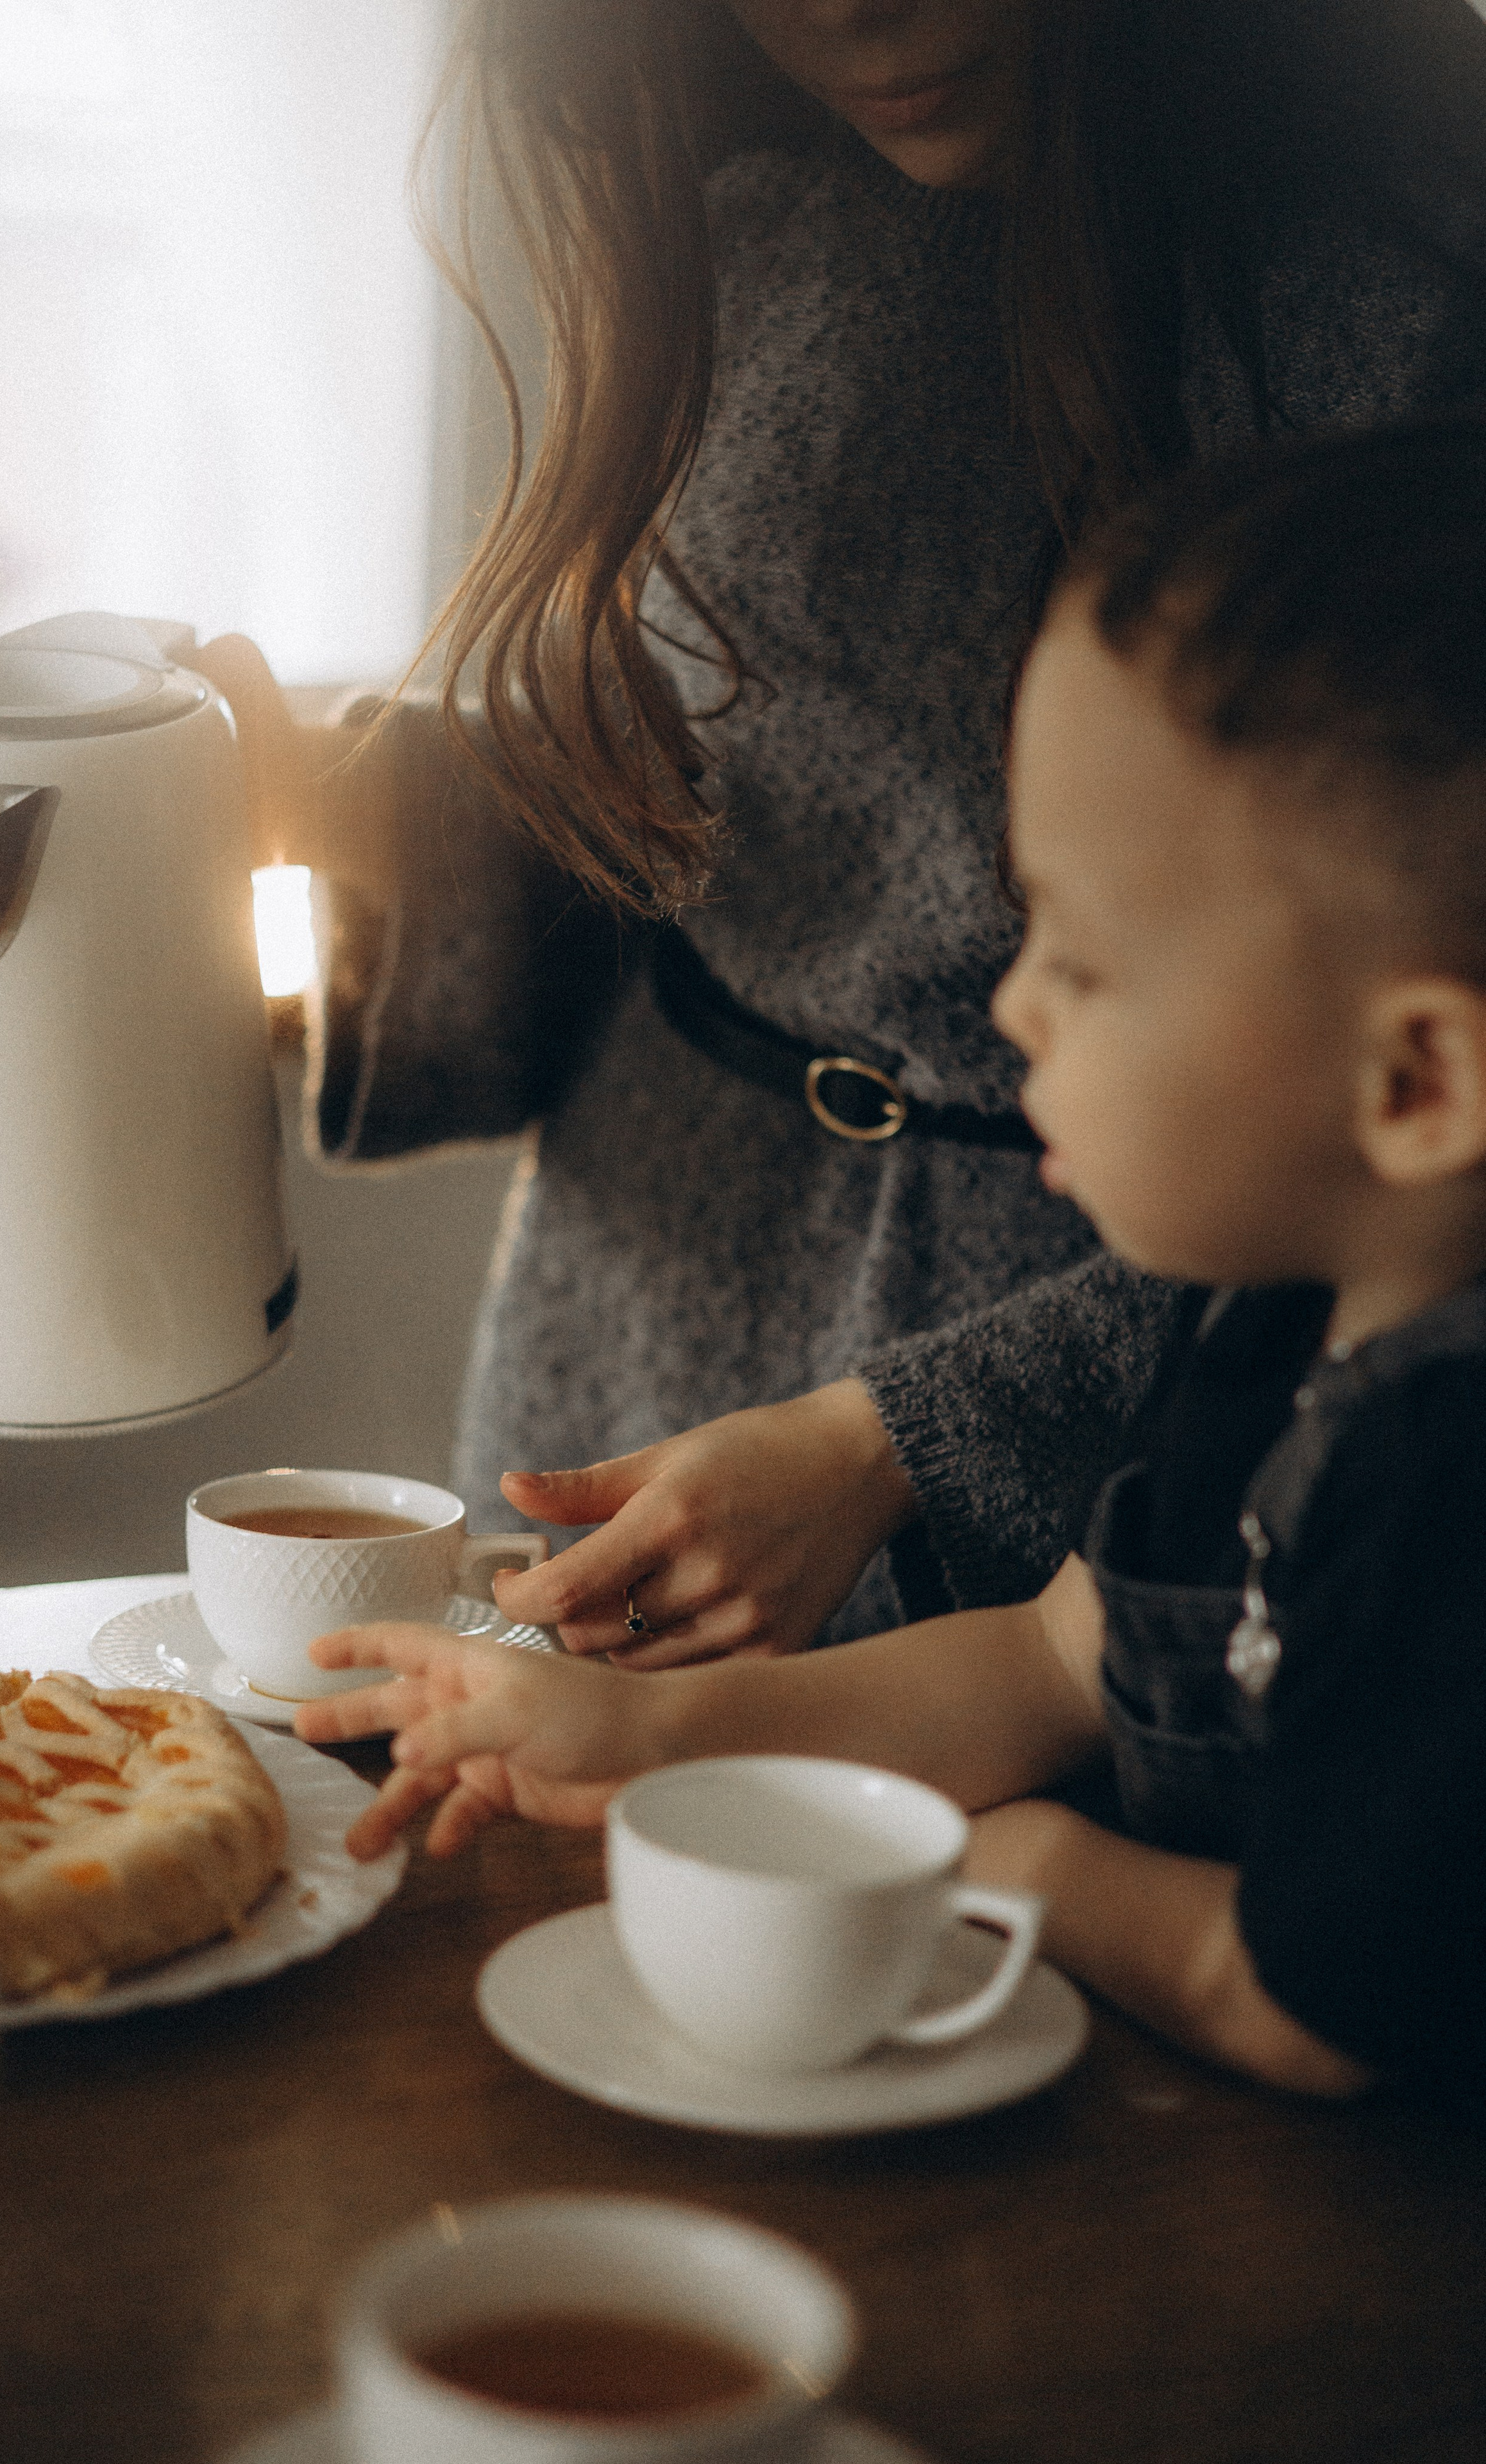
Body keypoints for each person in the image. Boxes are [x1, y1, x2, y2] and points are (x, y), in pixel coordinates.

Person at [203, 0, 1486, 1665]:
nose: (847, 9)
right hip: (634, 1344)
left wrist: (912, 1439)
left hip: (1119, 1456)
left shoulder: (1411, 261)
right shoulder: (683, 154)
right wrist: (323, 810)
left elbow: (1426, 1130)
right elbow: (693, 795)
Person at [292, 418, 1486, 2102]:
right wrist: (638, 1741)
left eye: (1081, 957)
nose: (1010, 1010)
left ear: (1417, 1081)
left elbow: (1305, 1999)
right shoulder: (1264, 1315)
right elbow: (1050, 1660)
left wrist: (1023, 1870)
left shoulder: (1444, 1484)